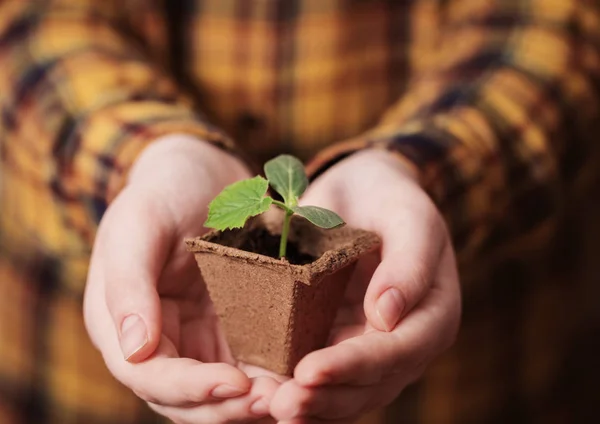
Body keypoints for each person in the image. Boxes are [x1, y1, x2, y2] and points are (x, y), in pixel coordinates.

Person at [0, 0, 599, 423]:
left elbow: (551, 23)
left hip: (480, 381)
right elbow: (30, 22)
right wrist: (148, 157)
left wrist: (421, 166)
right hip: (68, 380)